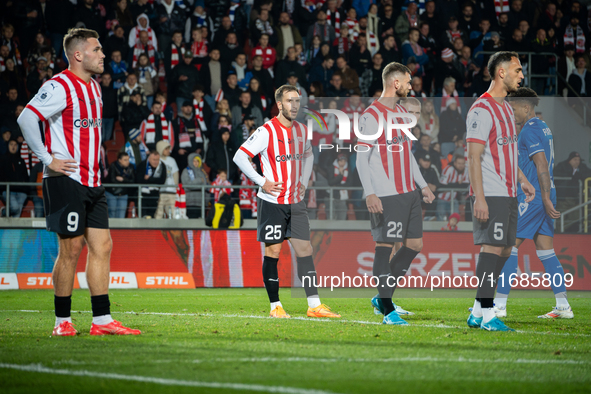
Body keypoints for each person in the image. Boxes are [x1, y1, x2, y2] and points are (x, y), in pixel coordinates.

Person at [16, 28, 140, 336]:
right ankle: (62, 322)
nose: (103, 55)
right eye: (97, 50)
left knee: (103, 246)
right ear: (78, 55)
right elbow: (26, 118)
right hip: (65, 179)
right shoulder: (59, 86)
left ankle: (101, 320)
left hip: (92, 180)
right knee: (70, 249)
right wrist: (48, 159)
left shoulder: (95, 88)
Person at [233, 84, 341, 319]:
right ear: (280, 104)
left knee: (305, 250)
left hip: (296, 202)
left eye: (297, 100)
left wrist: (304, 180)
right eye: (289, 101)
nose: (294, 105)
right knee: (273, 251)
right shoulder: (266, 131)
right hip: (272, 202)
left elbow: (309, 155)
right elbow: (240, 156)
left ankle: (314, 305)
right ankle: (276, 306)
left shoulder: (302, 130)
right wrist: (261, 181)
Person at [356, 63, 436, 325]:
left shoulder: (401, 113)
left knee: (415, 245)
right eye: (408, 82)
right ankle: (388, 310)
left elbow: (407, 153)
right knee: (384, 247)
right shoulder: (371, 116)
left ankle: (382, 298)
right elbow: (361, 159)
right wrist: (370, 193)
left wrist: (422, 185)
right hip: (386, 194)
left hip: (409, 193)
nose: (411, 86)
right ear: (395, 83)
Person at [465, 51, 535, 332]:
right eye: (517, 70)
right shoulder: (481, 109)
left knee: (505, 249)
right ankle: (487, 314)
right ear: (500, 73)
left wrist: (522, 179)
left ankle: (478, 310)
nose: (522, 75)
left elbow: (507, 149)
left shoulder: (506, 108)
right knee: (493, 248)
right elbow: (473, 155)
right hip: (490, 192)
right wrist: (479, 197)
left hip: (509, 192)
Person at [492, 87, 573, 319]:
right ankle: (563, 306)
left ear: (526, 107)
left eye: (513, 106)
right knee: (547, 251)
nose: (511, 110)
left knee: (509, 246)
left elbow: (541, 165)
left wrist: (544, 198)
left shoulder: (529, 130)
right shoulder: (543, 126)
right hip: (544, 194)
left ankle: (499, 305)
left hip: (535, 196)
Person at [0, 139, 29, 217]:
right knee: (15, 208)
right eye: (11, 144)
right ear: (8, 146)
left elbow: (25, 176)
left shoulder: (21, 160)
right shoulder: (2, 159)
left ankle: (14, 229)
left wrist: (25, 189)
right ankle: (4, 212)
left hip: (21, 192)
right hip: (8, 190)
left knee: (17, 211)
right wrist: (3, 188)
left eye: (15, 145)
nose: (13, 146)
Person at [437, 154, 468, 220]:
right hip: (442, 199)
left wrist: (456, 185)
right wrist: (457, 184)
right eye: (459, 163)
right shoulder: (448, 169)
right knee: (441, 220)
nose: (461, 165)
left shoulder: (466, 170)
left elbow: (465, 186)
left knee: (455, 220)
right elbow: (442, 185)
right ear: (455, 163)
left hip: (453, 199)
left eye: (462, 163)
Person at [136, 150, 166, 217]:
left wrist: (149, 179)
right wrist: (154, 180)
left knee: (151, 216)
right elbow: (139, 180)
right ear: (149, 159)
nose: (156, 162)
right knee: (143, 216)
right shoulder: (142, 165)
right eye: (154, 160)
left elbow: (162, 181)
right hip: (143, 195)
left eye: (157, 160)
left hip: (154, 194)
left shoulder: (162, 166)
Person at [154, 140, 179, 219]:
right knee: (158, 215)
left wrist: (175, 187)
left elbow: (175, 174)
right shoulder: (155, 160)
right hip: (160, 192)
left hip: (171, 192)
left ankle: (173, 231)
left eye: (169, 148)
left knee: (174, 215)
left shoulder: (172, 160)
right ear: (161, 149)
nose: (169, 151)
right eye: (166, 149)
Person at [105, 152, 134, 218]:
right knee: (112, 213)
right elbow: (113, 180)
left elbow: (133, 181)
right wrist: (126, 181)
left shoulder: (131, 167)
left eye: (128, 159)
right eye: (125, 160)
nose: (127, 162)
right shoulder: (113, 165)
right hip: (112, 193)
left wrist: (123, 179)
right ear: (119, 160)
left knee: (121, 215)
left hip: (123, 193)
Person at [181, 153, 209, 219]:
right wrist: (199, 180)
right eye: (194, 161)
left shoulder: (203, 171)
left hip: (202, 203)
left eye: (197, 161)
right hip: (191, 203)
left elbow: (206, 185)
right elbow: (187, 185)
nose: (196, 163)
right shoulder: (186, 171)